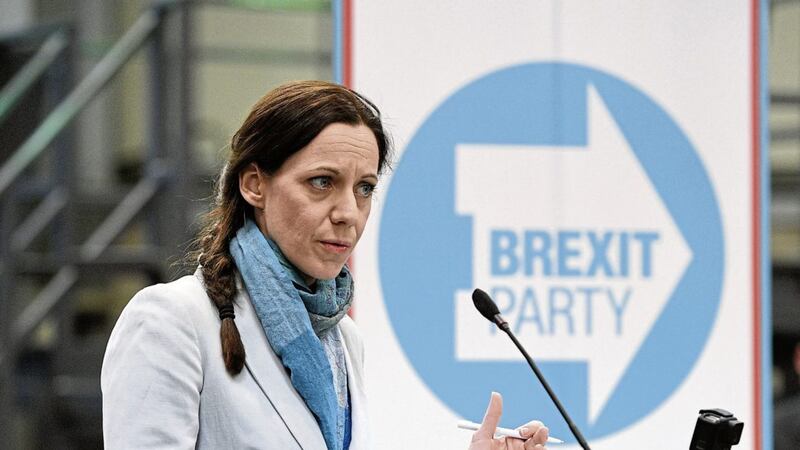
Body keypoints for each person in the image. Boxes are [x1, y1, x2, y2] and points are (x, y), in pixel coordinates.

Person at [101, 80, 550, 449]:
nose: (348, 213)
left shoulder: (342, 338)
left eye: (365, 188)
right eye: (322, 182)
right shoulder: (171, 321)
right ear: (254, 185)